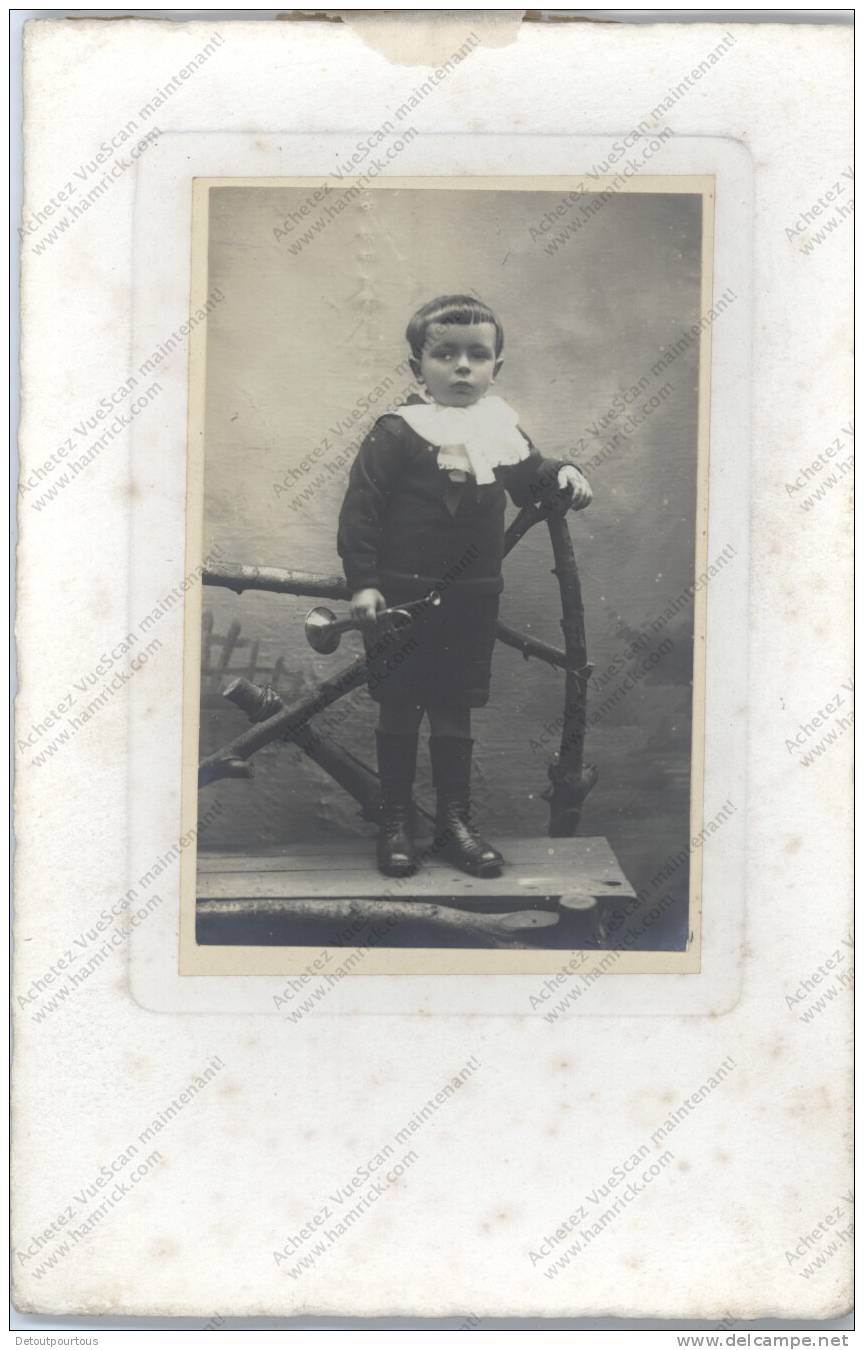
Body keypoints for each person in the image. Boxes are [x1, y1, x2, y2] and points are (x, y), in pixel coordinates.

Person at [337, 295, 592, 879]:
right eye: (444, 354)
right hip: (399, 600)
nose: (461, 367)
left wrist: (564, 472)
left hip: (471, 598)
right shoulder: (397, 432)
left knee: (454, 711)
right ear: (416, 368)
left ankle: (455, 824)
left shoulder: (499, 429)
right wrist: (364, 584)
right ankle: (397, 823)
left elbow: (534, 476)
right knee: (400, 708)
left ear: (495, 368)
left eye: (477, 356)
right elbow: (361, 513)